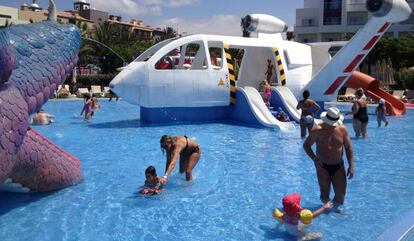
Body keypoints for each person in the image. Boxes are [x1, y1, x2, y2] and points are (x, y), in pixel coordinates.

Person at [303, 107, 354, 207]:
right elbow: (306, 145)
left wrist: (351, 166)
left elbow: (348, 148)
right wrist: (314, 159)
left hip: (338, 166)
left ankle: (334, 212)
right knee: (324, 194)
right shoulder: (317, 130)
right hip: (322, 167)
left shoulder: (342, 129)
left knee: (340, 196)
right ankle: (326, 213)